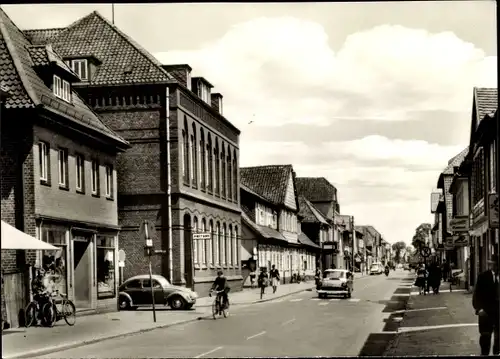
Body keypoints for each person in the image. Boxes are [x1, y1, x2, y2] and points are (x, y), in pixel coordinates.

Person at [473, 254, 500, 355]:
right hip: (486, 313)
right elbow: (476, 295)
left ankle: (497, 353)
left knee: (499, 339)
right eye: (493, 265)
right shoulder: (483, 277)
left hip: (498, 313)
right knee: (485, 338)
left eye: (496, 265)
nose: (495, 267)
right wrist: (479, 309)